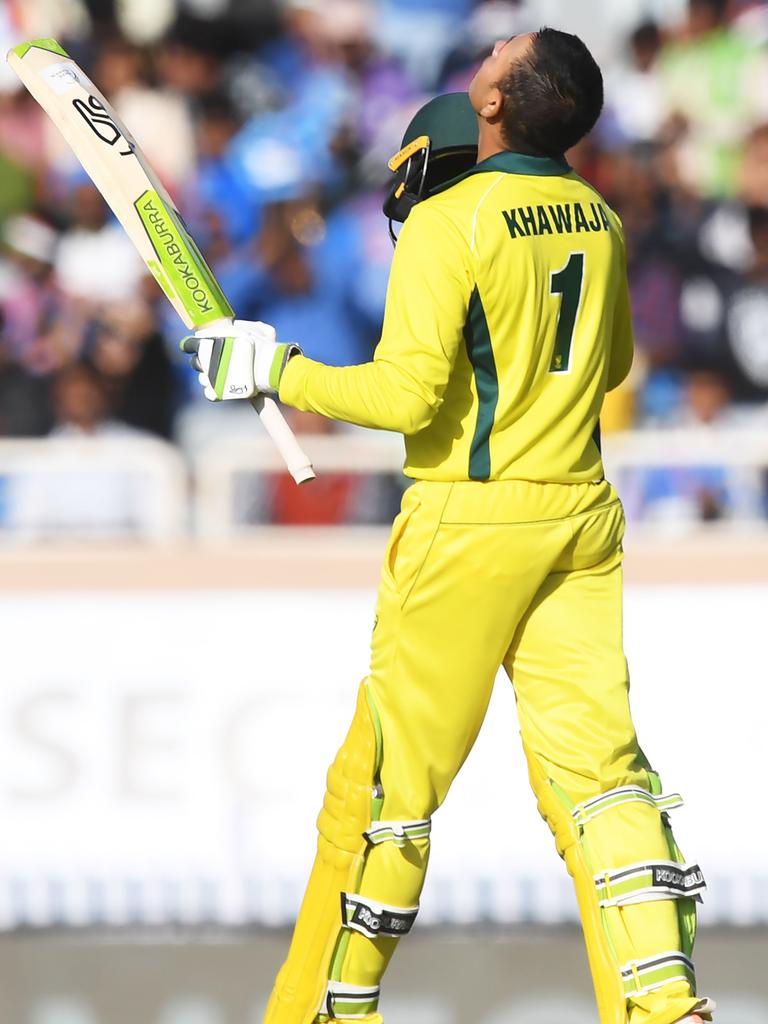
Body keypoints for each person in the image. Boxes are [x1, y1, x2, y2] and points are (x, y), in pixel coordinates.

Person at [181, 29, 713, 1024]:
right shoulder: (597, 215)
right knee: (601, 778)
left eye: (504, 50)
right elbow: (610, 367)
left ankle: (321, 1014)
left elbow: (405, 393)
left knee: (385, 782)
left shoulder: (451, 218)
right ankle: (662, 1003)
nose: (492, 46)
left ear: (501, 104)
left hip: (469, 518)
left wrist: (271, 368)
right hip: (582, 513)